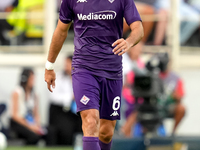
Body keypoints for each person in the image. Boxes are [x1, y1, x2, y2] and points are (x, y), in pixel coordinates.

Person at [44, 0, 144, 149]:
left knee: (106, 132)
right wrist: (49, 65)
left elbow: (138, 29)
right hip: (84, 70)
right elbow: (61, 30)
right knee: (90, 121)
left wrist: (129, 42)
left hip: (112, 71)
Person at [10, 68, 55, 145]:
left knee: (51, 131)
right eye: (31, 78)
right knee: (33, 136)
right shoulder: (17, 92)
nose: (33, 81)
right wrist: (30, 127)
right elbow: (15, 116)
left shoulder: (34, 95)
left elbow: (36, 113)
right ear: (25, 79)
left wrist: (37, 125)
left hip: (31, 122)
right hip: (19, 123)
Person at [48, 55, 82, 146]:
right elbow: (53, 96)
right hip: (61, 111)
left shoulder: (80, 78)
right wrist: (71, 97)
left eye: (68, 63)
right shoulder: (58, 77)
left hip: (77, 109)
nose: (66, 66)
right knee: (67, 129)